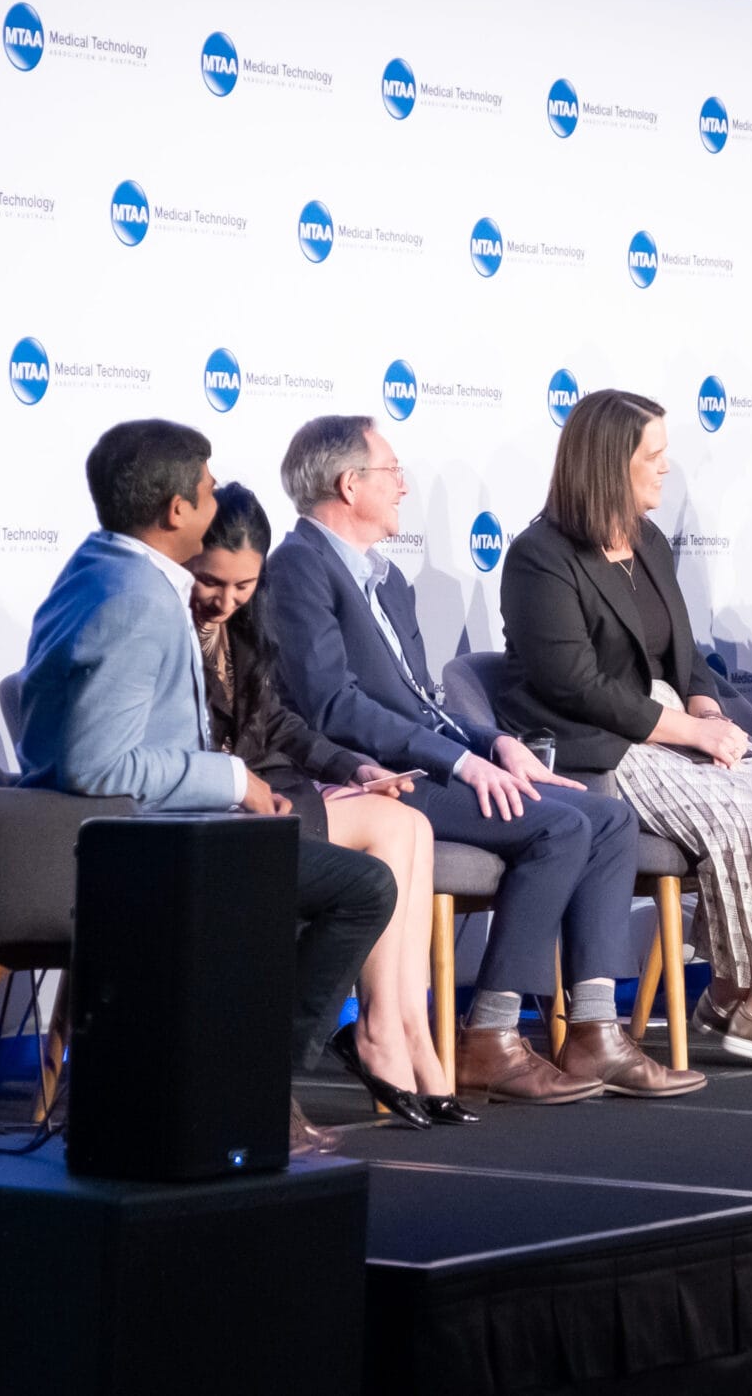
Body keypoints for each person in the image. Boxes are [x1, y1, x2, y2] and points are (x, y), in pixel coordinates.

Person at [265, 414, 703, 1102]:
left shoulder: (388, 579)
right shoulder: (299, 568)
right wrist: (459, 764)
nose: (404, 486)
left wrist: (492, 742)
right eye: (392, 472)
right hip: (365, 779)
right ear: (350, 485)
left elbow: (422, 701)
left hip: (424, 761)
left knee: (610, 820)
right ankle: (491, 1037)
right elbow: (332, 706)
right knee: (560, 827)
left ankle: (595, 1031)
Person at [16, 419, 395, 1154]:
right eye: (209, 488)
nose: (218, 499)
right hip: (134, 848)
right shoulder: (136, 598)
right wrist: (234, 780)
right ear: (176, 510)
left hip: (143, 833)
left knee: (339, 868)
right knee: (362, 888)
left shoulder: (102, 567)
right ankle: (254, 1084)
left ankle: (244, 1080)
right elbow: (98, 766)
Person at [497, 389, 752, 1074]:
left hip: (674, 719)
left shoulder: (648, 541)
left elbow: (684, 655)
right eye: (652, 455)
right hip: (604, 738)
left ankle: (744, 1001)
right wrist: (687, 729)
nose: (666, 467)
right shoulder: (540, 556)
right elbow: (575, 683)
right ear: (608, 462)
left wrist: (708, 712)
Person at [188, 481, 474, 1125]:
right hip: (227, 808)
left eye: (243, 586)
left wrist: (355, 766)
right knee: (393, 831)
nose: (226, 601)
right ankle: (383, 1031)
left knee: (411, 824)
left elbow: (278, 723)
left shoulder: (248, 624)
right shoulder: (170, 629)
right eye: (212, 582)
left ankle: (408, 1026)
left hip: (273, 793)